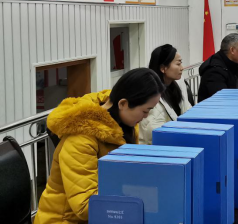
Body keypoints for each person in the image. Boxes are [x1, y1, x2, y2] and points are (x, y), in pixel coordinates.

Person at [34, 68, 165, 224]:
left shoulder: (124, 123)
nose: (146, 117)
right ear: (123, 103)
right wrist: (138, 188)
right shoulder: (81, 139)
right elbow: (85, 206)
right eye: (145, 111)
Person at [139, 44, 193, 144]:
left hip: (176, 141)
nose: (182, 68)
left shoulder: (177, 85)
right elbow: (152, 134)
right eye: (178, 64)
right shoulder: (151, 95)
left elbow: (189, 113)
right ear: (163, 68)